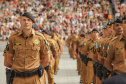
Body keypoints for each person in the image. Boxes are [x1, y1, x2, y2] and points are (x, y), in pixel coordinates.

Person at [3, 12, 50, 84]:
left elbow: (46, 59)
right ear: (20, 22)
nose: (26, 22)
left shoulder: (40, 38)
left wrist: (36, 68)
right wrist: (18, 67)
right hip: (18, 79)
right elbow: (7, 60)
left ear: (32, 22)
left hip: (35, 78)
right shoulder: (13, 38)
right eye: (24, 20)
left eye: (28, 20)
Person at [102, 15, 126, 84]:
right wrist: (116, 72)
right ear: (122, 25)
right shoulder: (114, 42)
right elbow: (107, 62)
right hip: (119, 78)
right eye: (125, 23)